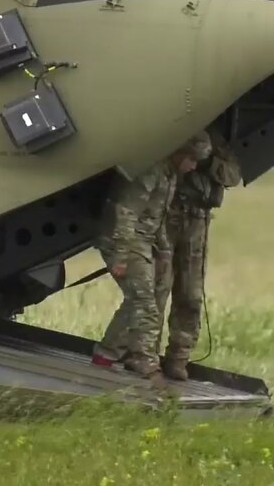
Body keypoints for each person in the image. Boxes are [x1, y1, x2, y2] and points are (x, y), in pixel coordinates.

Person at [90, 132, 212, 387]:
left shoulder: (169, 175)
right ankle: (147, 364)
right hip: (123, 240)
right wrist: (122, 256)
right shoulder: (151, 172)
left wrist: (164, 251)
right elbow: (126, 212)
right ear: (179, 153)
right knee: (144, 301)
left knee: (149, 295)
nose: (193, 167)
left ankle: (107, 353)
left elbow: (157, 218)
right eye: (191, 160)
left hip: (144, 240)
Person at [155, 128, 242, 381]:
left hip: (197, 219)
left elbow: (233, 176)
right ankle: (144, 353)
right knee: (157, 288)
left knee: (190, 293)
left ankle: (179, 357)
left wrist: (205, 160)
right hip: (167, 215)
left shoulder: (215, 142)